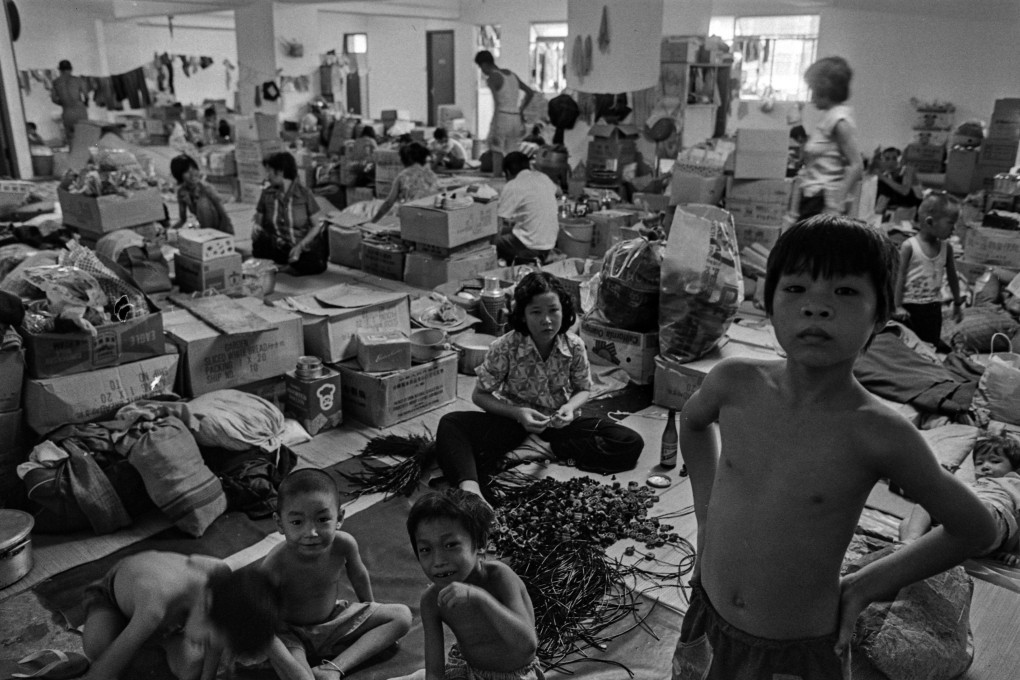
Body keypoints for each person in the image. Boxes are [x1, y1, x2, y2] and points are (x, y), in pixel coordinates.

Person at [671, 215, 997, 679]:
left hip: (796, 650)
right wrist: (705, 517)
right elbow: (692, 421)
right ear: (769, 303)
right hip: (708, 615)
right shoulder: (734, 381)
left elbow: (976, 528)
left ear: (880, 316)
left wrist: (868, 584)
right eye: (796, 288)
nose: (817, 307)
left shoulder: (878, 431)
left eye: (845, 292)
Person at [434, 272, 644, 502]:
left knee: (629, 441)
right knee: (450, 424)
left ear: (564, 311)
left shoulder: (574, 345)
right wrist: (518, 413)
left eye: (553, 310)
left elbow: (583, 389)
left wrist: (570, 408)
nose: (547, 320)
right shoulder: (505, 347)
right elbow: (480, 395)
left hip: (557, 425)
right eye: (536, 312)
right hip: (512, 424)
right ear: (523, 315)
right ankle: (471, 491)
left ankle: (543, 450)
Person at [260, 469, 412, 680]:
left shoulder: (344, 544)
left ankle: (332, 668)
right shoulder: (276, 562)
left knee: (402, 616)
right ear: (280, 524)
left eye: (322, 519)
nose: (311, 533)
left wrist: (369, 611)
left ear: (339, 517)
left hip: (334, 622)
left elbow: (359, 575)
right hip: (291, 634)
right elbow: (257, 616)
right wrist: (283, 658)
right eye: (297, 522)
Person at [406, 489, 541, 680]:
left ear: (479, 544)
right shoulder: (431, 600)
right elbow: (434, 671)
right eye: (426, 549)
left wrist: (480, 598)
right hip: (470, 673)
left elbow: (527, 645)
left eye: (450, 545)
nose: (438, 560)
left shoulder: (499, 577)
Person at [80, 551, 279, 680]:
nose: (208, 643)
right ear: (206, 606)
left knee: (190, 669)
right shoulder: (154, 606)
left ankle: (156, 642)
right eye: (208, 639)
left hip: (176, 616)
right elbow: (101, 673)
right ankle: (148, 643)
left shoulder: (222, 586)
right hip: (113, 599)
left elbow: (215, 645)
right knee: (98, 647)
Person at [901, 432, 1020, 567]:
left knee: (982, 507)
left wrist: (1015, 552)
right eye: (979, 463)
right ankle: (908, 546)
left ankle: (911, 552)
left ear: (1016, 469)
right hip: (956, 534)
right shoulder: (971, 485)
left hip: (987, 521)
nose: (985, 466)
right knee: (911, 518)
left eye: (995, 461)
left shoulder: (1013, 481)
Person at [892, 191, 964, 348]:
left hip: (932, 307)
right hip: (909, 307)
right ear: (930, 221)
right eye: (951, 223)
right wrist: (897, 305)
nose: (954, 229)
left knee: (930, 345)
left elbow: (952, 277)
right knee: (907, 346)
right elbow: (899, 275)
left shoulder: (947, 248)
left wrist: (958, 303)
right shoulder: (909, 246)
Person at [796, 57, 864, 220]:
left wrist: (834, 205)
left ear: (824, 89)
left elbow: (857, 165)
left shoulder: (839, 120)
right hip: (812, 197)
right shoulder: (828, 117)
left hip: (822, 202)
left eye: (812, 88)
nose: (811, 95)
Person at [253, 151, 328, 276]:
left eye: (269, 171)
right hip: (278, 246)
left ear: (280, 172)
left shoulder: (304, 194)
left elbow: (316, 226)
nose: (267, 176)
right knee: (259, 245)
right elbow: (258, 222)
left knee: (317, 263)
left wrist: (300, 246)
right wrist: (256, 226)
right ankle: (286, 265)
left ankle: (287, 267)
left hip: (299, 247)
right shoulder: (266, 194)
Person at [474, 50, 535, 178]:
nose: (482, 71)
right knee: (513, 153)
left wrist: (493, 126)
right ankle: (516, 181)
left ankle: (497, 181)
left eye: (480, 67)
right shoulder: (511, 75)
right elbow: (530, 92)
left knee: (497, 152)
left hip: (502, 117)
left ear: (484, 64)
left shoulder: (493, 77)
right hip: (515, 117)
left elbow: (497, 104)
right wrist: (521, 109)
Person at [495, 151, 560, 265]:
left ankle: (512, 263)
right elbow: (559, 191)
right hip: (550, 243)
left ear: (508, 172)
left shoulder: (513, 185)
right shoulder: (543, 177)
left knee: (492, 244)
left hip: (529, 245)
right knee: (511, 230)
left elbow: (498, 224)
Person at [371, 142, 440, 222]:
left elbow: (388, 203)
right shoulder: (432, 175)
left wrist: (374, 221)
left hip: (413, 219)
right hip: (433, 217)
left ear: (405, 159)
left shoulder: (403, 176)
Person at [169, 155, 234, 234]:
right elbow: (182, 219)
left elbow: (223, 214)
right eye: (186, 171)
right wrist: (169, 231)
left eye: (194, 169)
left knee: (202, 203)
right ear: (179, 175)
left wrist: (227, 234)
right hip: (203, 227)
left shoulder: (206, 188)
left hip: (219, 228)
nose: (192, 174)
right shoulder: (182, 192)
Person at [872, 146, 922, 213]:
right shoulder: (887, 173)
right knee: (881, 183)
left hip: (914, 207)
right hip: (897, 206)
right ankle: (877, 212)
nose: (891, 162)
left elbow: (905, 191)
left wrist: (882, 177)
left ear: (899, 159)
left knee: (885, 182)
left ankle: (878, 213)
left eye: (894, 158)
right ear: (883, 160)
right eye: (887, 159)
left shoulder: (908, 169)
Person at [51, 59, 89, 145]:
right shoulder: (78, 80)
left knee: (71, 137)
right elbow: (86, 95)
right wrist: (85, 103)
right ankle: (86, 157)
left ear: (60, 70)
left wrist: (64, 103)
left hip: (67, 111)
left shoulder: (56, 82)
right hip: (80, 110)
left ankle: (73, 156)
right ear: (71, 69)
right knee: (84, 136)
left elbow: (53, 99)